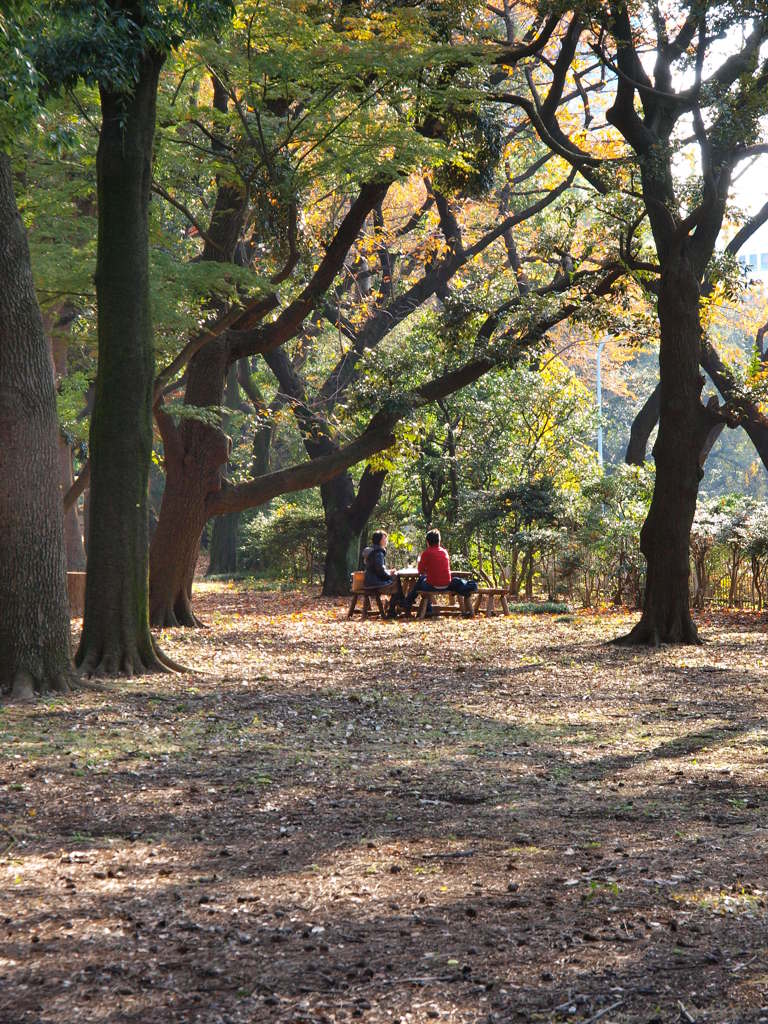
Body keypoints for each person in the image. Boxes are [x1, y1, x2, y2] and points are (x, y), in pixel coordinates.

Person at [405, 528, 479, 617]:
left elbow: (420, 571)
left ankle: (408, 603)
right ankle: (427, 610)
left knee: (421, 580)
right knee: (423, 580)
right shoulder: (444, 552)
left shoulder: (426, 553)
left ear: (427, 542)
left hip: (432, 585)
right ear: (439, 541)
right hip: (447, 584)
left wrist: (420, 562)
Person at [363, 530, 403, 617]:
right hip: (375, 582)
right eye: (385, 538)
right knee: (397, 582)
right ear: (380, 540)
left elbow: (376, 568)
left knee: (396, 582)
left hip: (369, 581)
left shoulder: (372, 551)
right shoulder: (379, 552)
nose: (386, 540)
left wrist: (388, 572)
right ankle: (395, 609)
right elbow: (380, 570)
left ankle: (398, 606)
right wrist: (389, 575)